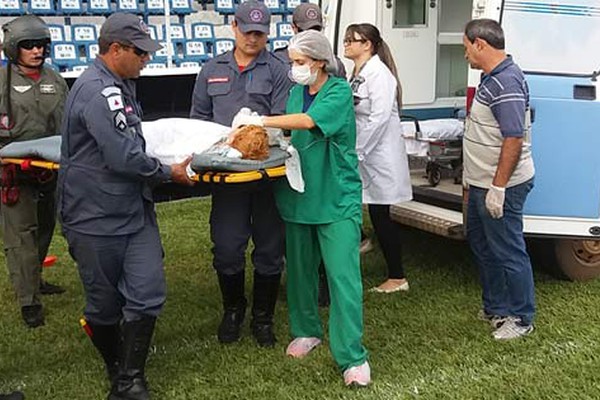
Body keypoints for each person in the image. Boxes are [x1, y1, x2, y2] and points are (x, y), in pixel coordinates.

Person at [58, 13, 193, 399]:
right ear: (115, 49)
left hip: (131, 213)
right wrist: (169, 172)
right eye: (140, 52)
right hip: (94, 215)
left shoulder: (120, 83)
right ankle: (117, 368)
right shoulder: (101, 91)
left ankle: (130, 379)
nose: (146, 60)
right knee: (103, 305)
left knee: (148, 291)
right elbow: (123, 156)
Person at [232, 30, 370, 387]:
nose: (294, 69)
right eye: (293, 63)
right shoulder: (296, 93)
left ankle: (352, 356)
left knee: (343, 279)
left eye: (299, 63)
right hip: (298, 196)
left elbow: (309, 123)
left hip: (335, 197)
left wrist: (261, 121)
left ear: (319, 63)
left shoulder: (338, 92)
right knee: (300, 272)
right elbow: (293, 133)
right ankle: (306, 330)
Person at [190, 0, 292, 348]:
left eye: (260, 33)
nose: (253, 39)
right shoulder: (211, 69)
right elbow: (199, 120)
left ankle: (263, 317)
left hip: (266, 176)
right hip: (227, 178)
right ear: (233, 27)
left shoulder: (279, 68)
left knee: (269, 247)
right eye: (247, 31)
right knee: (227, 246)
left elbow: (281, 119)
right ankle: (233, 310)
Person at [462, 19, 535, 340]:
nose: (465, 54)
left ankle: (521, 318)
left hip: (502, 183)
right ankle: (496, 308)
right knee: (481, 243)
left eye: (466, 48)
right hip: (480, 181)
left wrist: (499, 188)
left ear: (480, 44)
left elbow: (513, 139)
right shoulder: (490, 78)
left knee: (507, 249)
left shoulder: (506, 83)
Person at [0, 15, 68, 329]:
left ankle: (35, 278)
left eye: (41, 44)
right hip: (13, 172)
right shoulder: (2, 82)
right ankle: (29, 301)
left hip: (48, 170)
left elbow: (68, 125)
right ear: (15, 48)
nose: (36, 50)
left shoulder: (56, 80)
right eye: (28, 45)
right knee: (21, 236)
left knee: (43, 229)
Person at [343, 23, 413, 294]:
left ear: (367, 45)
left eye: (352, 40)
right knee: (374, 210)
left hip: (379, 153)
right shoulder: (359, 72)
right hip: (366, 152)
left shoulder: (379, 74)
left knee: (381, 213)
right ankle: (374, 254)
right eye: (346, 40)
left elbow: (380, 117)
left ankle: (397, 276)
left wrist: (358, 150)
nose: (347, 44)